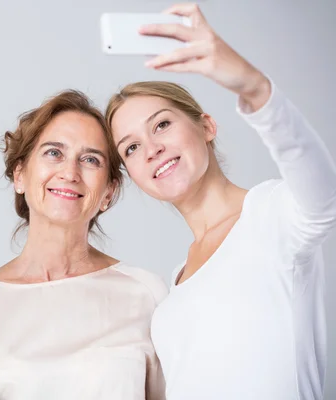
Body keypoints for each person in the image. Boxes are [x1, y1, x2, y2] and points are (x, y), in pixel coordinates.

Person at [105, 3, 336, 399]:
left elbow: (324, 196)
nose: (152, 150)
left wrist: (254, 88)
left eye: (162, 124)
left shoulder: (271, 213)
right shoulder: (174, 284)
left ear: (206, 126)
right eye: (131, 148)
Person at [0, 90, 168, 400]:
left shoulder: (147, 294)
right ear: (20, 175)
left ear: (108, 192)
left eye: (91, 159)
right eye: (54, 153)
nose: (70, 172)